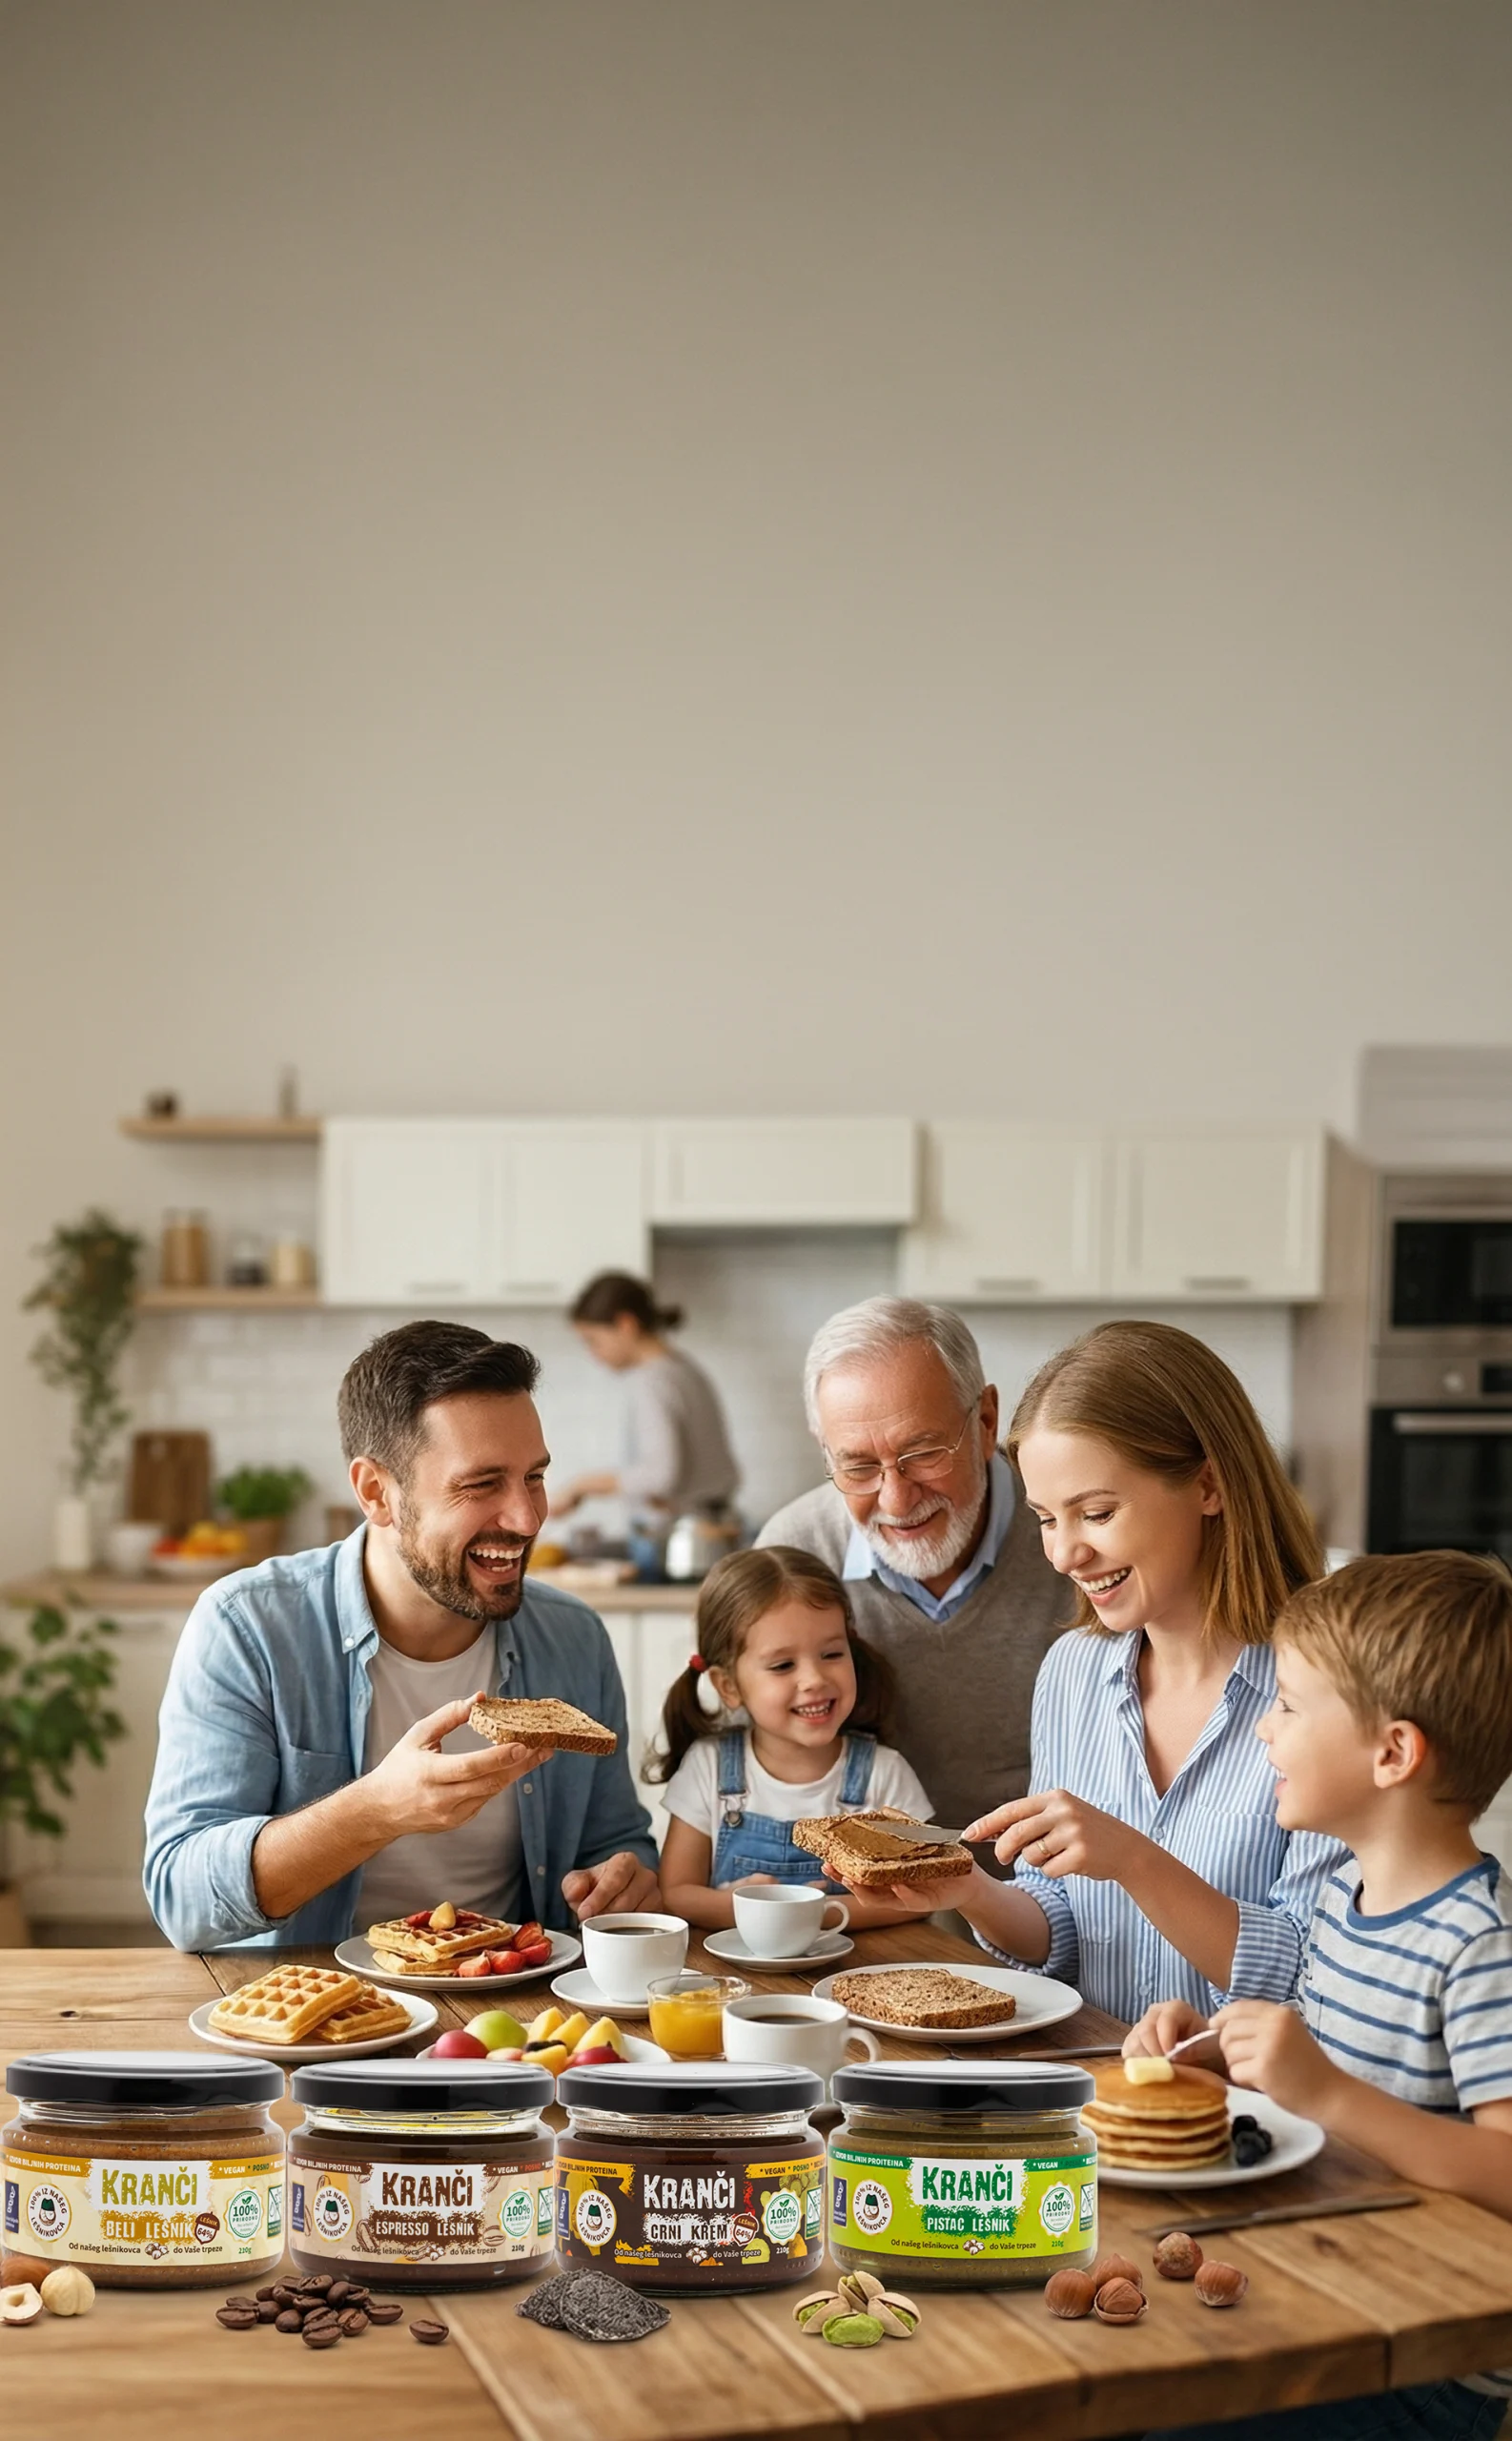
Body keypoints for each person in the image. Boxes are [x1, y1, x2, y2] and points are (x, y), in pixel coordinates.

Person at [849, 1321, 1343, 2021]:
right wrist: (970, 1893)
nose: (1064, 1555)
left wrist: (1135, 1861)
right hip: (1094, 2091)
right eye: (1047, 1519)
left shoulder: (1328, 1694)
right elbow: (1063, 1925)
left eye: (1097, 1512)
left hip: (1248, 2117)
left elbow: (1311, 1972)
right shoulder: (1073, 1672)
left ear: (1208, 1484)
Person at [1126, 1550, 1512, 2441]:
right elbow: (1320, 2063)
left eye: (1291, 1706)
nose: (1266, 1728)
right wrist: (1221, 2048)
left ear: (1392, 1753)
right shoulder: (1344, 1896)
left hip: (1423, 2358)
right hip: (1325, 2281)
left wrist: (1328, 2094)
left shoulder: (1478, 1945)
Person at [143, 1322, 661, 1950]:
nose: (527, 1518)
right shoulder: (248, 1628)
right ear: (376, 1493)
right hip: (320, 2018)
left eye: (534, 1478)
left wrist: (623, 1879)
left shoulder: (573, 1639)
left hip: (511, 2014)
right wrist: (374, 1812)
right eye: (481, 1484)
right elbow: (182, 1898)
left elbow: (616, 1842)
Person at [756, 1297, 1075, 1837]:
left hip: (1045, 1883)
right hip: (863, 1890)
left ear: (986, 1421)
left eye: (924, 1453)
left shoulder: (1072, 1537)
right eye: (857, 1466)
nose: (897, 1500)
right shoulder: (791, 1554)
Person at [653, 1545, 934, 1932]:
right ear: (728, 1685)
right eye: (783, 1665)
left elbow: (921, 1896)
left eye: (832, 1654)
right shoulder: (709, 1767)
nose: (815, 1680)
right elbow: (677, 1893)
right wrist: (746, 1907)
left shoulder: (884, 1774)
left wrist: (815, 1915)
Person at [549, 1271, 741, 1574]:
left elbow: (660, 1474)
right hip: (716, 1536)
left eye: (594, 1340)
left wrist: (580, 1486)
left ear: (626, 1325)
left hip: (684, 1546)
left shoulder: (652, 1380)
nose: (594, 1355)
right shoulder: (684, 1368)